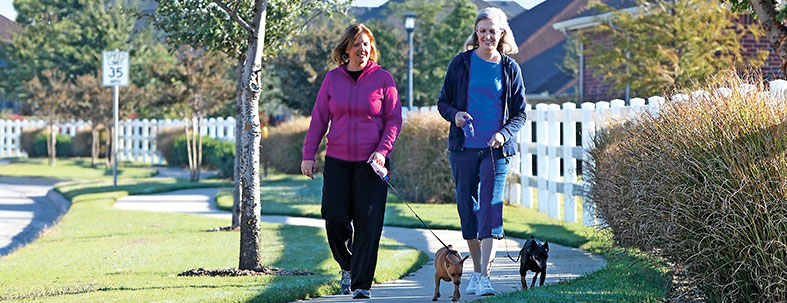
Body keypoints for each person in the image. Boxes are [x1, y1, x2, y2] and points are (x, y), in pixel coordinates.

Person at [301, 23, 402, 300]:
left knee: (368, 223)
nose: (362, 49)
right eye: (356, 44)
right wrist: (309, 154)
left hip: (372, 163)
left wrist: (383, 150)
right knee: (334, 216)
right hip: (337, 160)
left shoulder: (383, 79)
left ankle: (361, 284)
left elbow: (393, 120)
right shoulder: (333, 79)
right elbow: (319, 118)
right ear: (346, 49)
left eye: (366, 44)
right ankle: (347, 265)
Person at [436, 7, 527, 297]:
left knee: (491, 207)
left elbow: (520, 114)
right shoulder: (460, 64)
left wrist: (503, 133)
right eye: (483, 30)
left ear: (502, 34)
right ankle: (475, 271)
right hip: (463, 148)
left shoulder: (510, 68)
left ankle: (484, 276)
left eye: (493, 31)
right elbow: (443, 103)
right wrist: (457, 115)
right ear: (476, 32)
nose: (488, 36)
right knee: (468, 207)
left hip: (495, 151)